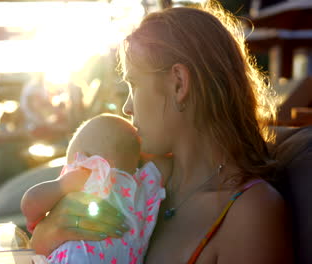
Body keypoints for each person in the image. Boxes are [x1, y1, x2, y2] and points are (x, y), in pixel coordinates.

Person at [29, 2, 293, 263]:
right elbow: (41, 249)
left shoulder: (249, 213)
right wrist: (50, 232)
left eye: (134, 84)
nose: (127, 107)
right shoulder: (138, 178)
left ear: (179, 84)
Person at [21, 114, 168, 263]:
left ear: (83, 160)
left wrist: (36, 219)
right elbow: (169, 164)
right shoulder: (143, 188)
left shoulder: (86, 174)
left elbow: (31, 202)